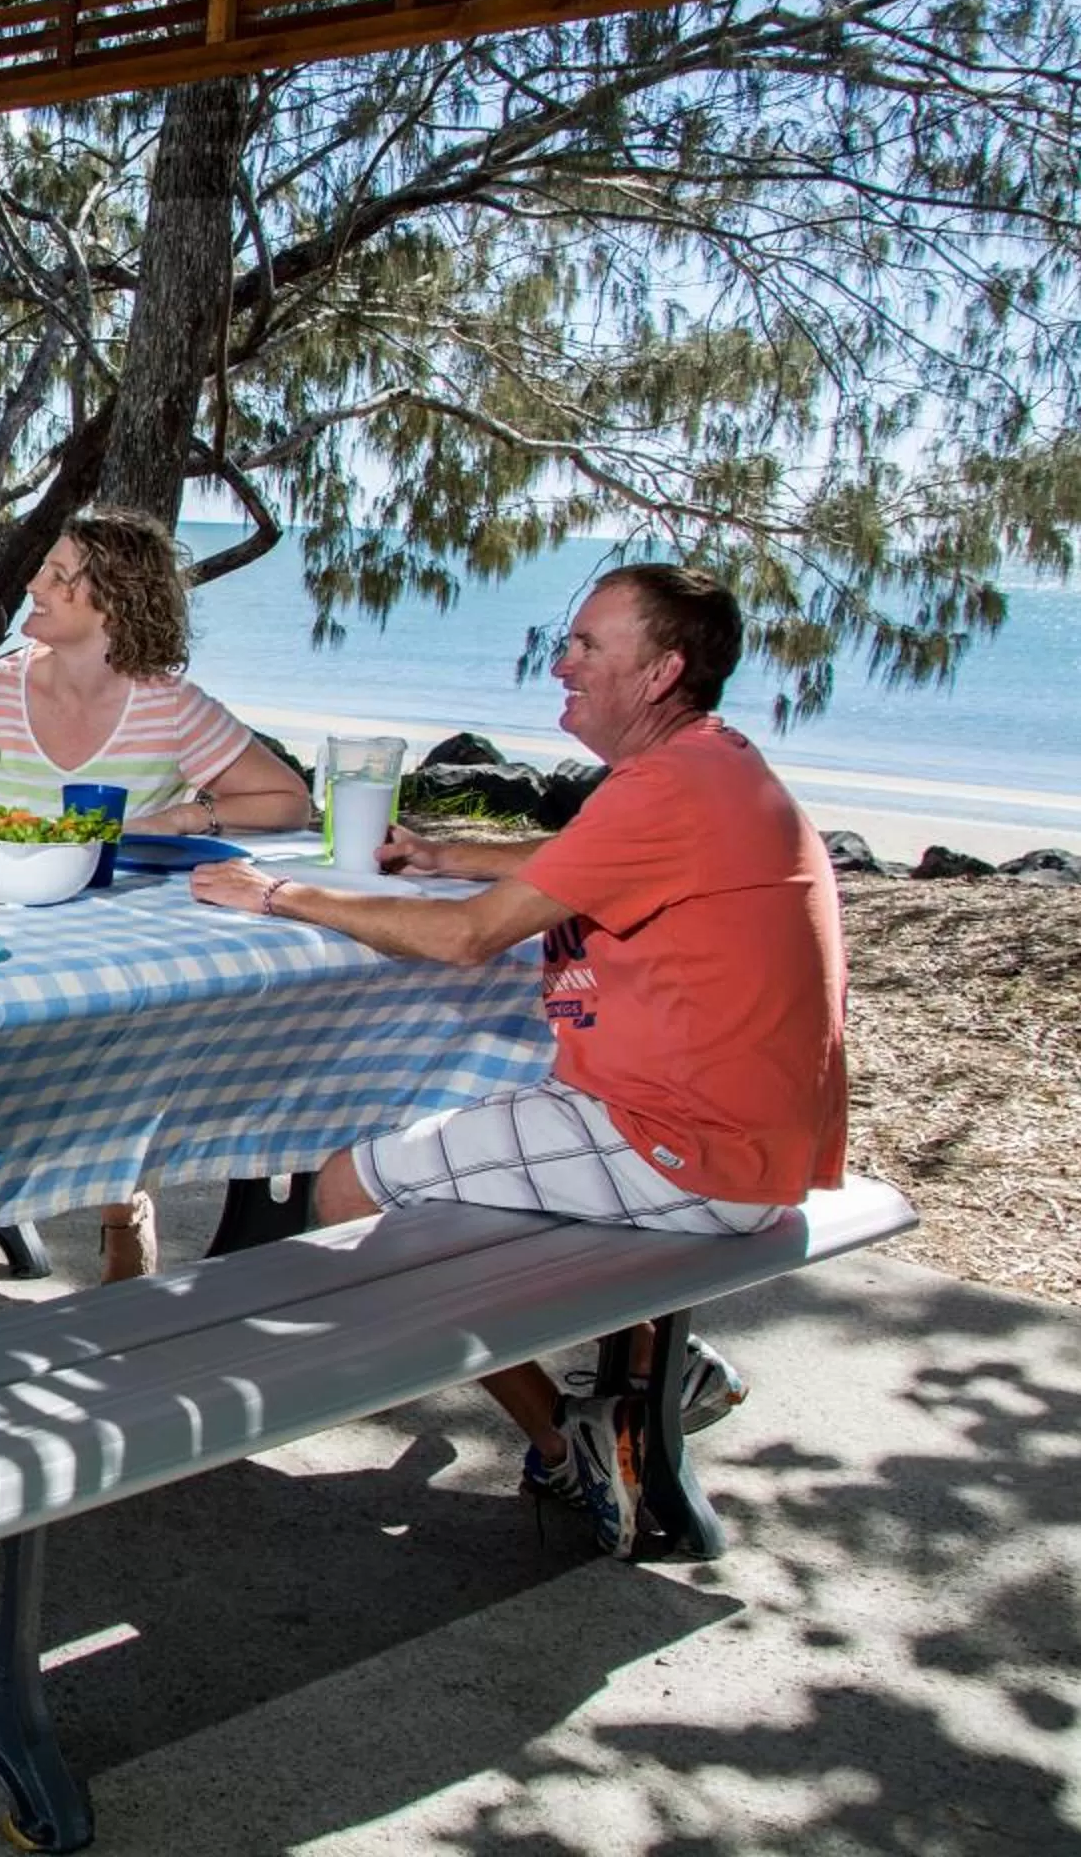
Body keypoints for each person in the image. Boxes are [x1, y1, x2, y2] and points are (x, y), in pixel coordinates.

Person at [187, 564, 846, 1556]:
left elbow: (467, 942)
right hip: (734, 1136)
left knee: (350, 1189)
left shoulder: (668, 785)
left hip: (681, 1147)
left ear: (664, 669)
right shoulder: (707, 767)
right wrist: (447, 857)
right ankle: (657, 1365)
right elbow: (580, 862)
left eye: (588, 645)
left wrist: (280, 895)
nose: (562, 660)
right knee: (472, 1134)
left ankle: (568, 1433)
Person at [0, 504, 311, 1324]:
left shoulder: (167, 705)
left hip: (115, 950)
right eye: (45, 568)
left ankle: (125, 1216)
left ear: (114, 604)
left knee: (126, 1056)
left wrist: (181, 817)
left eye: (60, 575)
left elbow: (287, 802)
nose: (35, 582)